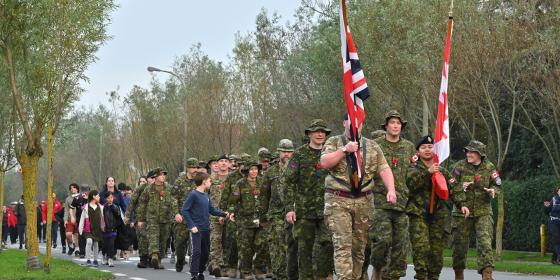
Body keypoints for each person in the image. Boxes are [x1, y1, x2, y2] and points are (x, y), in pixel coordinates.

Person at [320, 114, 397, 280]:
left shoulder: (372, 146)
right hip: (338, 200)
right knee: (343, 246)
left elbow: (384, 169)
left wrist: (391, 189)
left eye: (358, 121)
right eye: (351, 121)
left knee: (359, 247)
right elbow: (325, 162)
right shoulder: (333, 142)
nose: (355, 125)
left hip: (364, 201)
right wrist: (344, 150)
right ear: (344, 123)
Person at [406, 136, 469, 280]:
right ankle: (421, 276)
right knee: (421, 249)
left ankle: (433, 276)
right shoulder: (413, 168)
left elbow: (454, 188)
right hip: (418, 214)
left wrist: (462, 205)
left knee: (436, 253)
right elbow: (412, 184)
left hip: (438, 216)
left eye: (430, 147)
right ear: (418, 151)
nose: (427, 150)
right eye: (424, 148)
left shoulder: (441, 170)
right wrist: (428, 173)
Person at [285, 119, 335, 280]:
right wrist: (289, 208)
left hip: (327, 209)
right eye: (317, 131)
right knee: (304, 248)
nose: (320, 134)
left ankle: (324, 274)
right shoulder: (299, 154)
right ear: (309, 134)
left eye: (323, 132)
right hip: (304, 210)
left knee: (328, 243)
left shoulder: (331, 153)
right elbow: (288, 182)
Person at [369, 110, 416, 280]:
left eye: (398, 123)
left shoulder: (409, 147)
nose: (395, 126)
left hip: (402, 202)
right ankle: (377, 269)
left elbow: (414, 172)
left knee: (400, 246)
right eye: (392, 123)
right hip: (379, 201)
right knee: (382, 240)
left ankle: (393, 277)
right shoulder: (375, 145)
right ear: (386, 126)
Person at [450, 140, 502, 280]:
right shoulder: (459, 166)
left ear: (480, 154)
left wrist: (493, 191)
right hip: (462, 212)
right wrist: (461, 187)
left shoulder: (489, 167)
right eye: (468, 151)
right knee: (459, 247)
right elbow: (451, 187)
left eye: (472, 152)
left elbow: (497, 185)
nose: (469, 154)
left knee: (485, 243)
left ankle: (487, 275)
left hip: (483, 211)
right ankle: (458, 275)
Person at [182, 172, 234, 280]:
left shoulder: (206, 195)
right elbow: (185, 210)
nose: (211, 183)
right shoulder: (193, 194)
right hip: (196, 229)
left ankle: (200, 271)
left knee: (205, 253)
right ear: (204, 181)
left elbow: (212, 210)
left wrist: (225, 214)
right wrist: (192, 226)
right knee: (197, 251)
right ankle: (194, 274)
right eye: (210, 181)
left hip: (206, 228)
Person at [228, 160, 269, 279]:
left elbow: (268, 196)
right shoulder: (240, 184)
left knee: (262, 244)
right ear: (247, 171)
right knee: (245, 248)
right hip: (245, 221)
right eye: (251, 169)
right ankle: (245, 271)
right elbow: (233, 201)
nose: (254, 171)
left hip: (261, 220)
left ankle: (258, 268)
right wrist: (231, 212)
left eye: (256, 169)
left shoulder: (263, 182)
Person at [137, 167, 181, 269]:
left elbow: (173, 202)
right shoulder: (148, 189)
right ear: (155, 176)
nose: (163, 176)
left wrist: (176, 213)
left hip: (165, 218)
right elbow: (142, 204)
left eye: (164, 174)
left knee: (163, 239)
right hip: (152, 218)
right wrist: (140, 219)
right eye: (161, 174)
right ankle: (154, 255)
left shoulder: (169, 188)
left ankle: (158, 260)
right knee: (153, 237)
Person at [263, 139, 294, 280]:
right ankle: (279, 274)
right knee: (277, 245)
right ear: (279, 152)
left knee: (292, 246)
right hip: (276, 214)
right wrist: (262, 215)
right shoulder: (270, 172)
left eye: (289, 152)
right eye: (284, 152)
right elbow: (264, 195)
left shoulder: (296, 168)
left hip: (294, 213)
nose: (286, 154)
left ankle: (291, 273)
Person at [171, 158, 199, 272]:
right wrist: (176, 213)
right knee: (180, 243)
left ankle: (194, 267)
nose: (195, 170)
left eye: (196, 167)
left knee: (194, 245)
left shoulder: (199, 181)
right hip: (182, 218)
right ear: (188, 168)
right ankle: (180, 260)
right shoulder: (179, 181)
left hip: (195, 217)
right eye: (193, 167)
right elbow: (173, 197)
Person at [208, 155, 231, 276]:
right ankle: (216, 264)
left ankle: (225, 265)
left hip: (229, 215)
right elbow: (203, 195)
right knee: (215, 239)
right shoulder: (211, 178)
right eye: (221, 161)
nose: (223, 163)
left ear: (229, 164)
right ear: (217, 164)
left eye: (225, 161)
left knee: (228, 241)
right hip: (214, 214)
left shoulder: (233, 178)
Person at [124, 174, 153, 268]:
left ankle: (151, 258)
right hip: (140, 218)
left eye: (144, 181)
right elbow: (132, 203)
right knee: (142, 239)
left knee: (151, 239)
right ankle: (143, 259)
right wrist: (128, 216)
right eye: (141, 181)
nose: (142, 183)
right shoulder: (138, 190)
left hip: (152, 218)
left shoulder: (154, 189)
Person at [78, 190, 105, 267]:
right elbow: (82, 218)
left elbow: (103, 219)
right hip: (88, 229)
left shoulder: (100, 207)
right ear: (93, 196)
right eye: (98, 195)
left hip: (97, 229)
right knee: (89, 242)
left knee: (96, 244)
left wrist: (104, 227)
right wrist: (80, 228)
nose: (99, 197)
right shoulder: (86, 207)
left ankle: (95, 260)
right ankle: (88, 259)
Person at [102, 192, 122, 267]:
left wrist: (116, 226)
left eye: (111, 197)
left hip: (113, 229)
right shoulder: (103, 207)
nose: (110, 199)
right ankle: (104, 256)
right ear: (106, 199)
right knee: (105, 245)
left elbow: (118, 217)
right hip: (105, 229)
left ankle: (110, 259)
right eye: (108, 198)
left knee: (111, 244)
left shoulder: (116, 207)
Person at [544, 186, 560, 265]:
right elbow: (547, 212)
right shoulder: (553, 200)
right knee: (556, 239)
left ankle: (554, 259)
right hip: (553, 222)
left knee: (557, 241)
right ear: (557, 192)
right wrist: (546, 207)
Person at [64, 183, 80, 256]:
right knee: (68, 234)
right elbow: (66, 210)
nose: (72, 189)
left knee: (76, 235)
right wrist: (65, 220)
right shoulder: (68, 199)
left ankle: (77, 249)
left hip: (79, 218)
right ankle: (71, 246)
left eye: (74, 188)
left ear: (77, 188)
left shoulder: (80, 197)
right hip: (70, 218)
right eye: (71, 188)